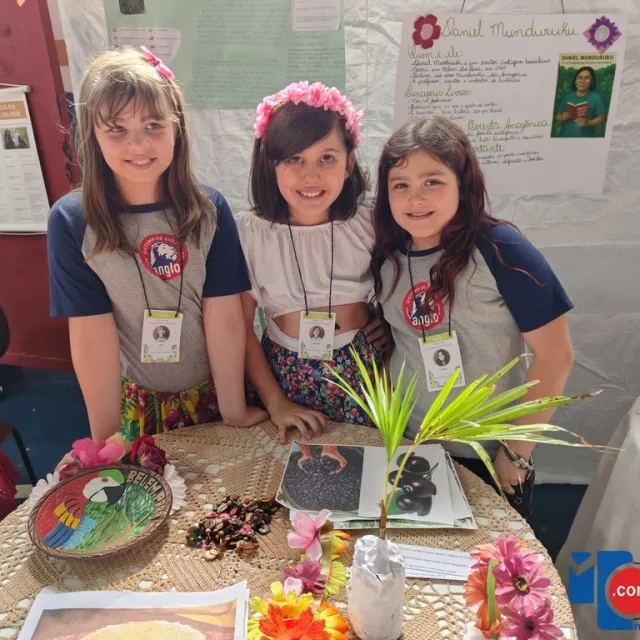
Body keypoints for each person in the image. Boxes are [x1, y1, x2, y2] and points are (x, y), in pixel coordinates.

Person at [47, 46, 267, 442]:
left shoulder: (210, 211)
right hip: (136, 405)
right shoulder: (72, 222)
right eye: (117, 129)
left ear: (176, 128)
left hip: (216, 393)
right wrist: (105, 441)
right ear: (93, 134)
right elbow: (92, 338)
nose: (138, 145)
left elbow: (225, 317)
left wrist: (233, 410)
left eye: (153, 125)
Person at [371, 117, 575, 519]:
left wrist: (515, 453)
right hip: (411, 446)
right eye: (401, 185)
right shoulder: (387, 257)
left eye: (432, 181)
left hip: (488, 454)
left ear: (462, 183)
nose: (415, 198)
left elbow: (557, 357)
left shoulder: (501, 250)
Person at [237, 81, 389, 445]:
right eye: (295, 159)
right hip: (284, 379)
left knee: (363, 468)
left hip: (365, 376)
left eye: (327, 158)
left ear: (349, 162)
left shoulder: (370, 220)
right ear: (271, 163)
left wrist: (388, 325)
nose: (311, 176)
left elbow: (403, 281)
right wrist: (275, 402)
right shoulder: (251, 233)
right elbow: (239, 326)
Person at [556, 66, 606, 138]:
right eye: (579, 77)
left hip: (586, 137)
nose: (582, 81)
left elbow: (602, 118)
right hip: (565, 136)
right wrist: (562, 118)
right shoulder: (567, 96)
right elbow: (558, 117)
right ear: (575, 80)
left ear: (592, 81)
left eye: (587, 78)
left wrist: (587, 123)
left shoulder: (597, 97)